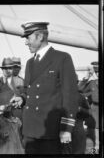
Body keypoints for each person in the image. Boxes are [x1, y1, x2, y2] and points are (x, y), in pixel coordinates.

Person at [10, 22, 79, 154]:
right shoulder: (30, 63)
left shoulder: (62, 58)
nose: (26, 42)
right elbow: (29, 90)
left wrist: (66, 129)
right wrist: (22, 98)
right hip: (30, 130)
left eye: (28, 38)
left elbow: (70, 96)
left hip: (50, 130)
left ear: (40, 37)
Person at [78, 62, 99, 153]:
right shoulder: (92, 82)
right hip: (94, 116)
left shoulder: (95, 82)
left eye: (98, 71)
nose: (97, 73)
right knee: (93, 141)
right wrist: (86, 77)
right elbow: (79, 90)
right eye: (96, 71)